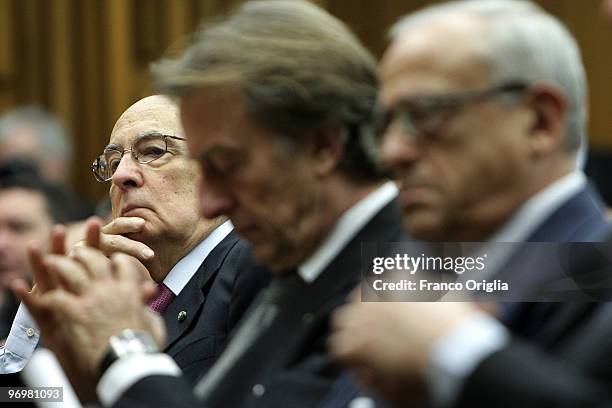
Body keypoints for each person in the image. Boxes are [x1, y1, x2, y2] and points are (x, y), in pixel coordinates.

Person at [16, 1, 405, 407]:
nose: (211, 199)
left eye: (224, 164)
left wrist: (125, 353)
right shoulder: (294, 269)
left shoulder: (417, 269)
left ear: (322, 146)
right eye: (113, 163)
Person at [328, 1, 612, 407]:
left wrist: (455, 355)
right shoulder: (413, 264)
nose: (392, 152)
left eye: (424, 115)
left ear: (540, 122)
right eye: (385, 124)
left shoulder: (596, 272)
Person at [3, 95, 269, 387]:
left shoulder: (255, 263)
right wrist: (37, 326)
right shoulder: (112, 297)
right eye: (114, 161)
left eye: (153, 151)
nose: (121, 175)